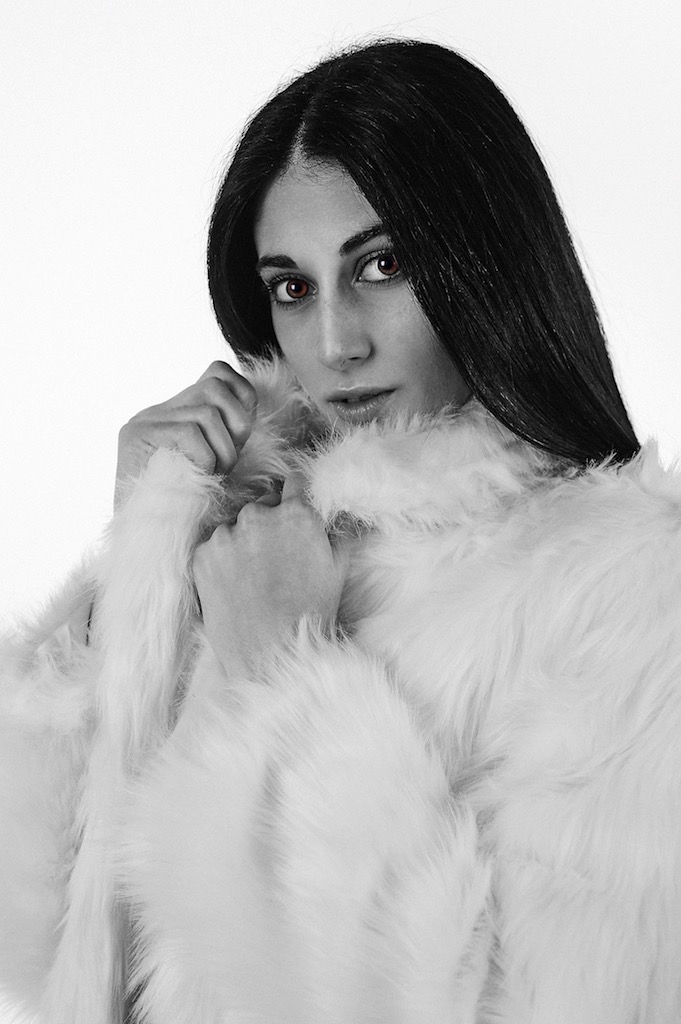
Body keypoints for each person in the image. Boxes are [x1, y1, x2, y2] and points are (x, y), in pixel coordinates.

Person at [1, 38, 680, 1024]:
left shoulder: (632, 586)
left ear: (489, 261)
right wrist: (137, 575)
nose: (334, 341)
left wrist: (291, 666)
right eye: (293, 286)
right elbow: (46, 949)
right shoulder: (246, 538)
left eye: (382, 264)